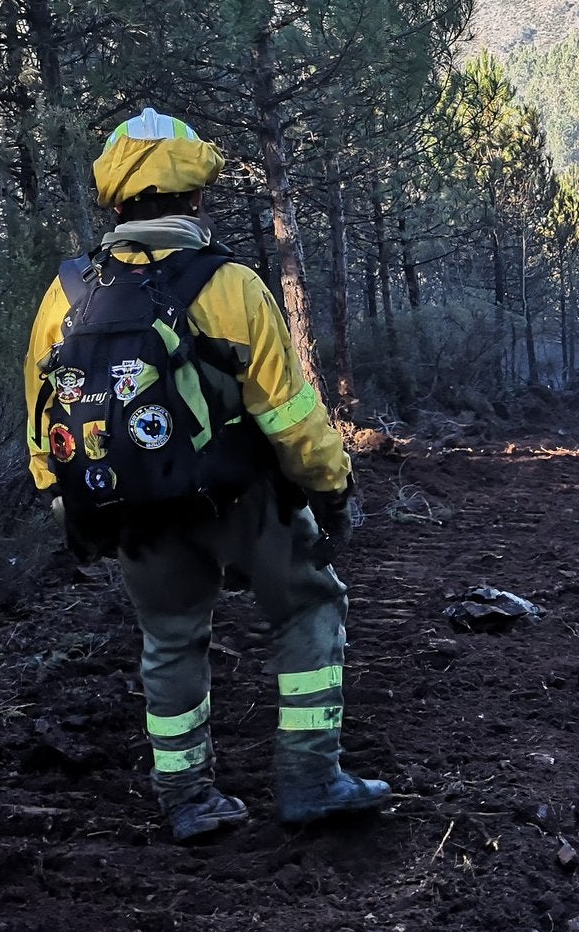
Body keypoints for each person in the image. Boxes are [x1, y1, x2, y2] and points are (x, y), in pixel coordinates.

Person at [23, 108, 389, 840]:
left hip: (132, 511)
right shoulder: (231, 286)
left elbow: (43, 425)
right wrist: (332, 488)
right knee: (309, 608)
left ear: (115, 200)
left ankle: (187, 797)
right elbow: (290, 418)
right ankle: (311, 779)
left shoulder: (66, 296)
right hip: (238, 498)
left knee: (169, 640)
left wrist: (69, 509)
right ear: (196, 193)